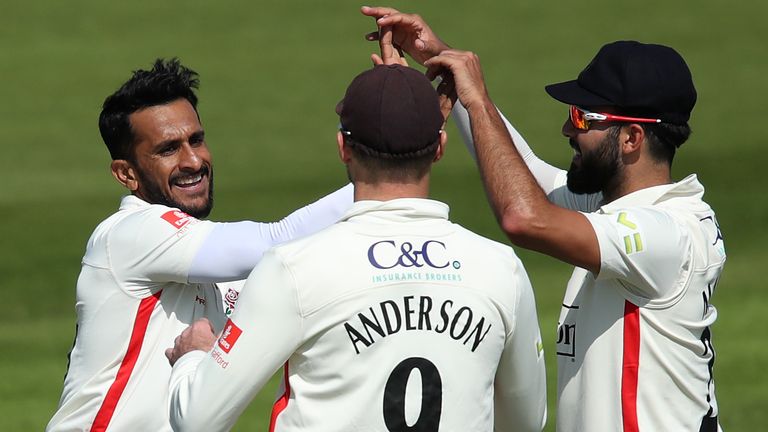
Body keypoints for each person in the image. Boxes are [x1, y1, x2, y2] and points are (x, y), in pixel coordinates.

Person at [362, 7, 726, 432]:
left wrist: (478, 100)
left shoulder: (664, 235)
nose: (567, 130)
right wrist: (446, 66)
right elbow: (524, 173)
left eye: (581, 118)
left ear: (631, 137)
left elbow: (524, 217)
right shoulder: (620, 209)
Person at [165, 61, 547, 432]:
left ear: (343, 147)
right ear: (440, 147)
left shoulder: (294, 269)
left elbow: (197, 419)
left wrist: (195, 354)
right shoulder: (502, 269)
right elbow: (526, 421)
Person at [46, 58, 353, 432]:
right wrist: (395, 162)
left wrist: (405, 117)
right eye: (168, 149)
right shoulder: (128, 234)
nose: (193, 160)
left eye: (197, 139)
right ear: (126, 173)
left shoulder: (220, 275)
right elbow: (278, 239)